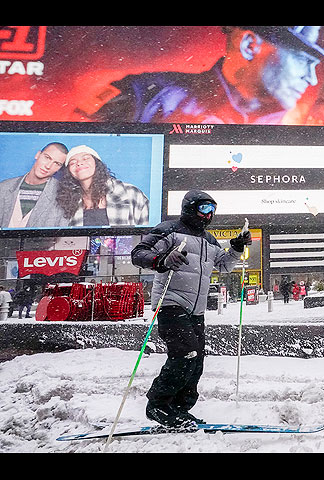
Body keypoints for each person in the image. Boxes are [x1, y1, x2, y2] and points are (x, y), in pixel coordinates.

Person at [131, 190, 251, 428]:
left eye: (213, 210)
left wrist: (236, 248)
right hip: (170, 303)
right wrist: (162, 260)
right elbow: (139, 254)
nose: (209, 215)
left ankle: (179, 407)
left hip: (196, 309)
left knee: (197, 359)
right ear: (189, 207)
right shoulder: (169, 230)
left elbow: (224, 266)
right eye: (204, 208)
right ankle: (158, 405)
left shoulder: (209, 240)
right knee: (185, 353)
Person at [87, 26, 324, 125]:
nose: (312, 79)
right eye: (304, 61)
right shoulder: (144, 97)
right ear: (250, 45)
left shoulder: (301, 126)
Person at [56, 145, 149, 226]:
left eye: (86, 158)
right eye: (72, 162)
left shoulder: (130, 193)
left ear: (97, 164)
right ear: (69, 172)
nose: (79, 163)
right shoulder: (67, 203)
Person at [0, 142, 69, 228]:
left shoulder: (63, 194)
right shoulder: (3, 187)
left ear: (60, 169)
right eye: (47, 157)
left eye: (57, 163)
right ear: (38, 155)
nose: (48, 166)